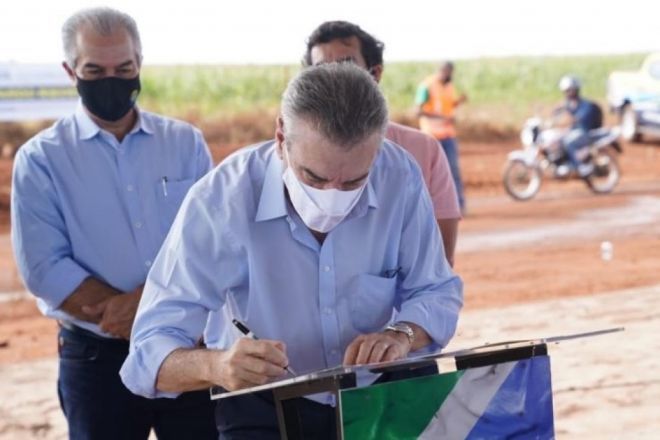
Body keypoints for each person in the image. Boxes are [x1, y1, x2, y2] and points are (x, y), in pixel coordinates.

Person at [120, 63, 463, 439]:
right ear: (281, 137)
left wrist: (403, 334)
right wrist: (217, 366)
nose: (333, 197)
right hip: (264, 405)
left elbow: (436, 289)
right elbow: (148, 351)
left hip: (383, 397)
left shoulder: (400, 175)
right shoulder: (220, 200)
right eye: (314, 177)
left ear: (377, 148)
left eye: (354, 181)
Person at [11, 7, 217, 439]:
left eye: (123, 68)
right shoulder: (41, 159)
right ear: (71, 71)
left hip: (188, 351)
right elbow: (45, 268)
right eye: (95, 69)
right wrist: (146, 314)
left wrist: (146, 310)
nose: (112, 79)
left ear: (139, 64)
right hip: (97, 358)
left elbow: (211, 241)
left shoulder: (185, 143)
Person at [303, 21, 460, 266]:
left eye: (346, 65)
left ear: (374, 74)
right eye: (321, 69)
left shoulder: (423, 150)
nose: (333, 79)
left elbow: (439, 265)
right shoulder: (292, 153)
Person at [416, 61, 468, 214]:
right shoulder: (426, 86)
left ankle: (458, 206)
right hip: (431, 137)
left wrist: (458, 102)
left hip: (448, 135)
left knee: (453, 170)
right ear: (441, 71)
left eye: (451, 73)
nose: (449, 76)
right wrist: (442, 117)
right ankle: (426, 209)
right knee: (428, 174)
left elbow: (448, 106)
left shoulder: (449, 87)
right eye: (447, 72)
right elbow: (418, 111)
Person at [553, 75, 603, 177]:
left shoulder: (585, 105)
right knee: (558, 139)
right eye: (565, 91)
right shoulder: (570, 104)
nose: (567, 94)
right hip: (574, 131)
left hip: (585, 133)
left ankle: (581, 167)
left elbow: (576, 119)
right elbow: (559, 109)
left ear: (575, 90)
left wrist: (564, 119)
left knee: (568, 142)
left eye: (569, 91)